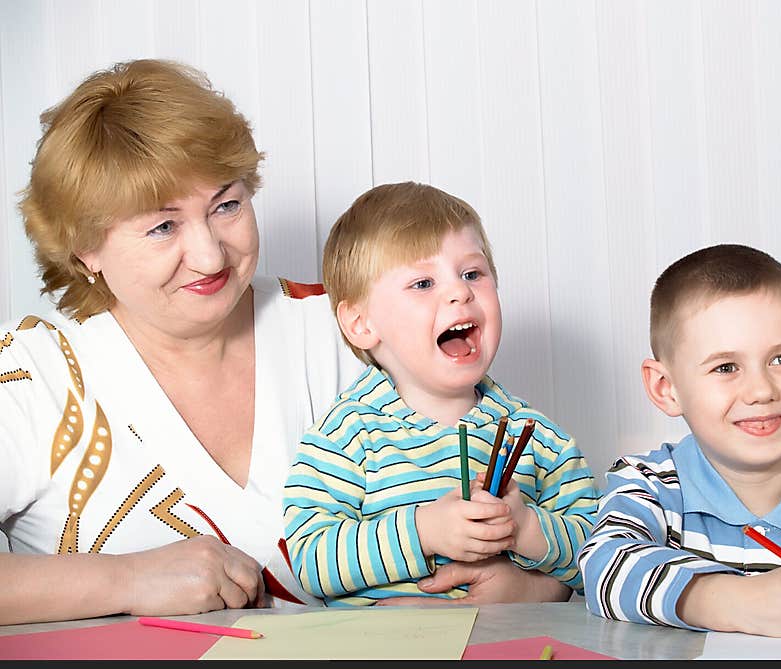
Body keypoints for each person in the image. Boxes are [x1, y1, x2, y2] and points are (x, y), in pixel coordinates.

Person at [0, 59, 569, 626]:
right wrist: (127, 578)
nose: (209, 254)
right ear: (84, 250)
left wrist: (533, 588)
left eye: (226, 205)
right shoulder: (32, 374)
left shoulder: (350, 328)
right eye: (162, 226)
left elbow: (531, 478)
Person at [282, 181, 600, 605]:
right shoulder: (346, 436)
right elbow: (311, 561)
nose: (460, 291)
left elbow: (603, 553)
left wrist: (527, 530)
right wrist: (424, 531)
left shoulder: (540, 438)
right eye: (423, 283)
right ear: (361, 323)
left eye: (472, 274)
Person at [578, 243, 781, 637]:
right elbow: (605, 567)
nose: (760, 391)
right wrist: (741, 601)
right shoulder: (651, 484)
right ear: (666, 388)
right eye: (726, 367)